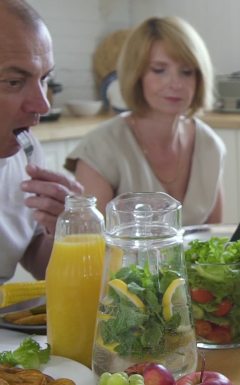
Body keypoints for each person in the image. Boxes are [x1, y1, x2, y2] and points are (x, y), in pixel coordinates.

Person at [65, 16, 225, 225]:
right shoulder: (100, 148)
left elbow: (214, 240)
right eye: (159, 70)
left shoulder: (209, 145)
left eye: (186, 72)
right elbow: (91, 245)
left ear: (199, 79)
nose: (175, 83)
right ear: (136, 75)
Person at [0, 0, 83, 283]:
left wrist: (68, 230)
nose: (43, 104)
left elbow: (35, 255)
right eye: (13, 82)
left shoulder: (28, 153)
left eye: (45, 78)